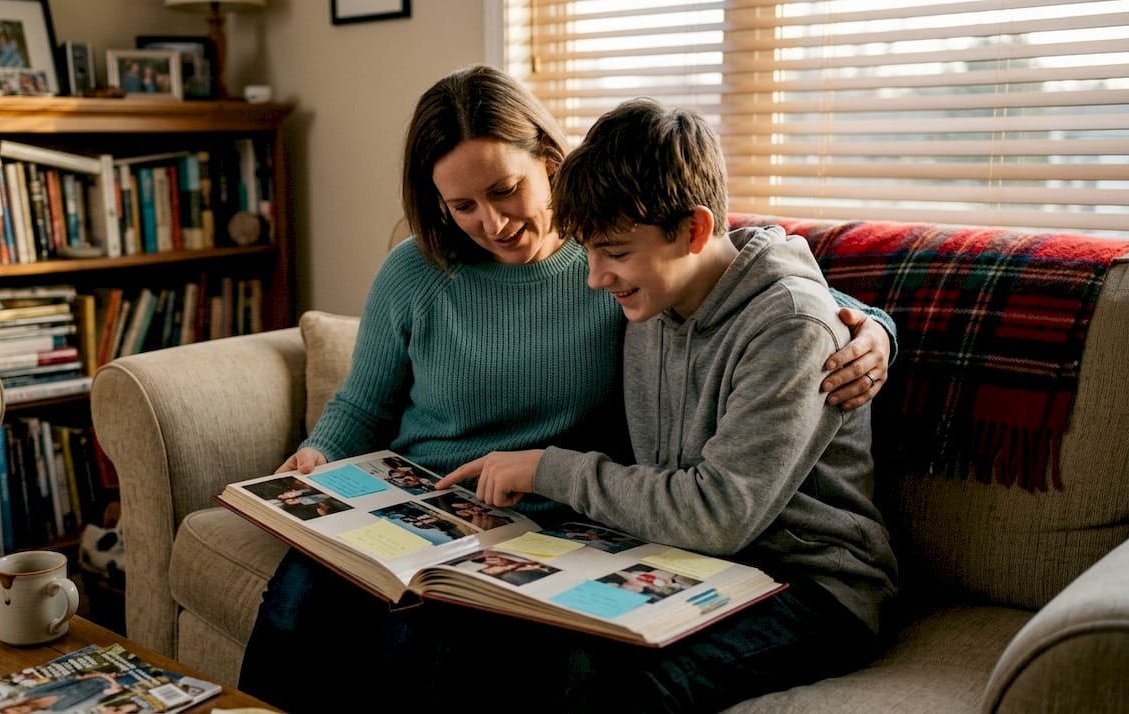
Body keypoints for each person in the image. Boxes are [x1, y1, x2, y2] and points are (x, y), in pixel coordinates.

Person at [237, 64, 895, 711]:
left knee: (500, 658)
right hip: (503, 515)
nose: (493, 223)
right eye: (463, 206)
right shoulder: (636, 287)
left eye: (505, 191)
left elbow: (785, 305)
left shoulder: (639, 278)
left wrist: (873, 329)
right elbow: (733, 276)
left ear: (548, 164)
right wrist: (319, 455)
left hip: (756, 565)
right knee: (302, 598)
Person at [436, 98, 900, 711]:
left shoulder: (792, 328)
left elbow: (717, 515)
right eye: (589, 251)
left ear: (695, 231)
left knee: (607, 683)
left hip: (811, 587)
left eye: (615, 252)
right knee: (480, 636)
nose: (595, 278)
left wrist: (548, 468)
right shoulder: (653, 294)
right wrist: (880, 324)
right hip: (683, 562)